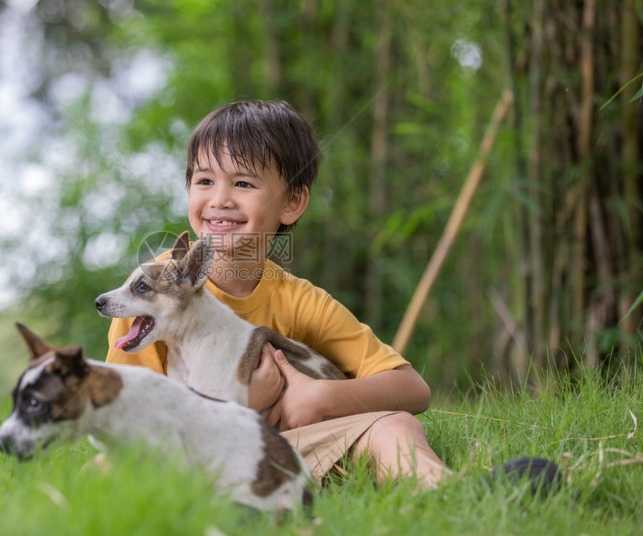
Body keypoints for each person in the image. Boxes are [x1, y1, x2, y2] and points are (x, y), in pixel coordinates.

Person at [105, 99, 555, 491]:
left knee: (395, 426)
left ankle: (448, 490)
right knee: (110, 466)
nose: (219, 199)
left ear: (292, 203)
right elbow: (123, 411)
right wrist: (247, 401)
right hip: (181, 448)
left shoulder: (300, 300)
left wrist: (316, 399)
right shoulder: (149, 293)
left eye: (242, 184)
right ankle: (227, 498)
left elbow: (411, 389)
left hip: (281, 446)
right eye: (204, 181)